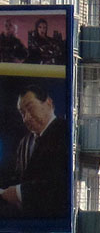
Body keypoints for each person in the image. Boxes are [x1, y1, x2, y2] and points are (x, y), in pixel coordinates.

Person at [0, 85, 70, 218]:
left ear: (49, 103)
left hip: (53, 216)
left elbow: (58, 184)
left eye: (30, 108)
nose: (26, 118)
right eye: (22, 113)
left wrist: (19, 193)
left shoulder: (65, 133)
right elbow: (19, 177)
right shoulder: (25, 142)